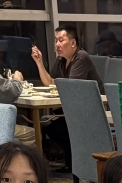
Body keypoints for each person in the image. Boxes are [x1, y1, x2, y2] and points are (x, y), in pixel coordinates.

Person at [30, 25, 101, 167]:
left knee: (56, 128)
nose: (57, 44)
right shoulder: (61, 60)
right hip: (73, 109)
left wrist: (57, 86)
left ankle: (75, 163)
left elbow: (70, 88)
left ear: (73, 43)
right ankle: (72, 163)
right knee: (53, 127)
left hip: (91, 110)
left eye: (61, 40)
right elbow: (50, 82)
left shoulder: (81, 58)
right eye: (56, 40)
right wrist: (39, 62)